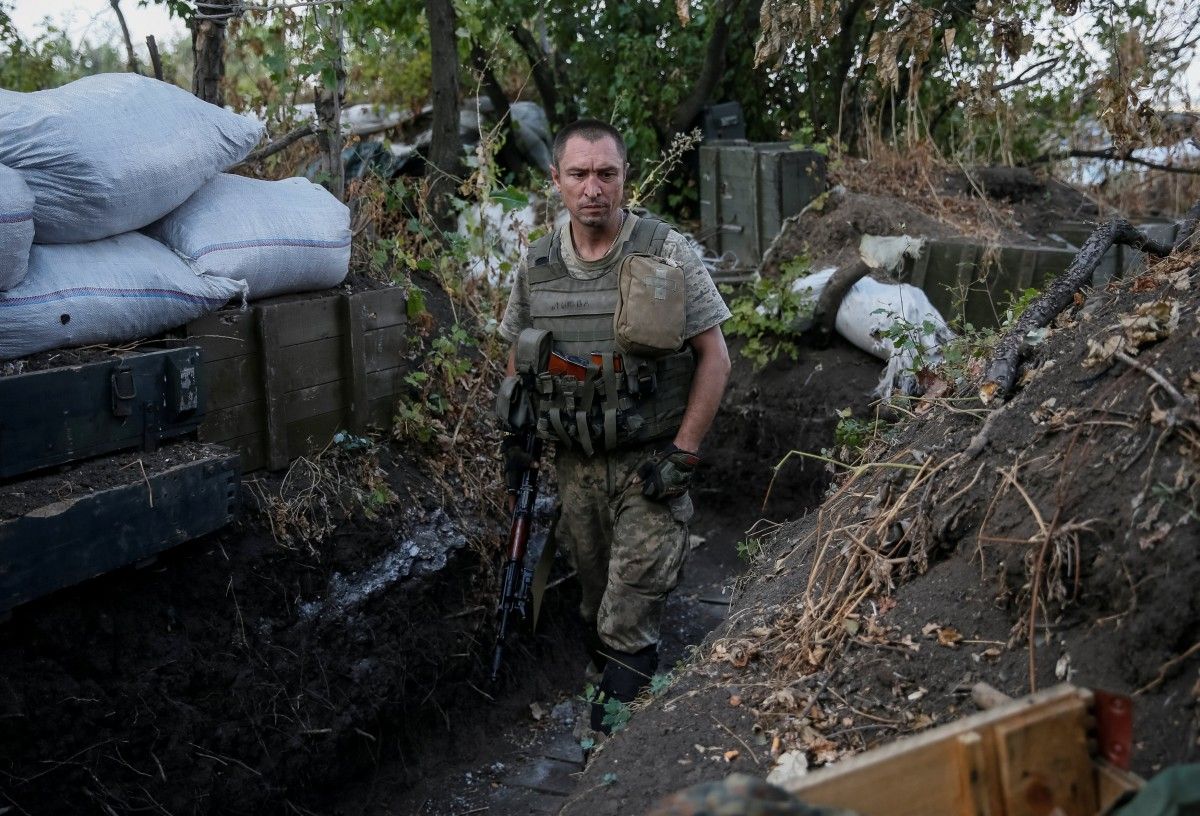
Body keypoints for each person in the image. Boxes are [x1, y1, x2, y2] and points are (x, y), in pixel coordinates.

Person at [497, 119, 731, 733]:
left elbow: (715, 357)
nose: (593, 188)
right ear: (557, 181)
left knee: (627, 615)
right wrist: (518, 431)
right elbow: (520, 353)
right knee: (595, 604)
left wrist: (684, 454)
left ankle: (608, 752)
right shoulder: (539, 264)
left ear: (625, 178)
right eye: (579, 174)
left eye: (606, 173)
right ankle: (611, 704)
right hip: (575, 469)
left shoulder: (664, 252)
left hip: (648, 465)